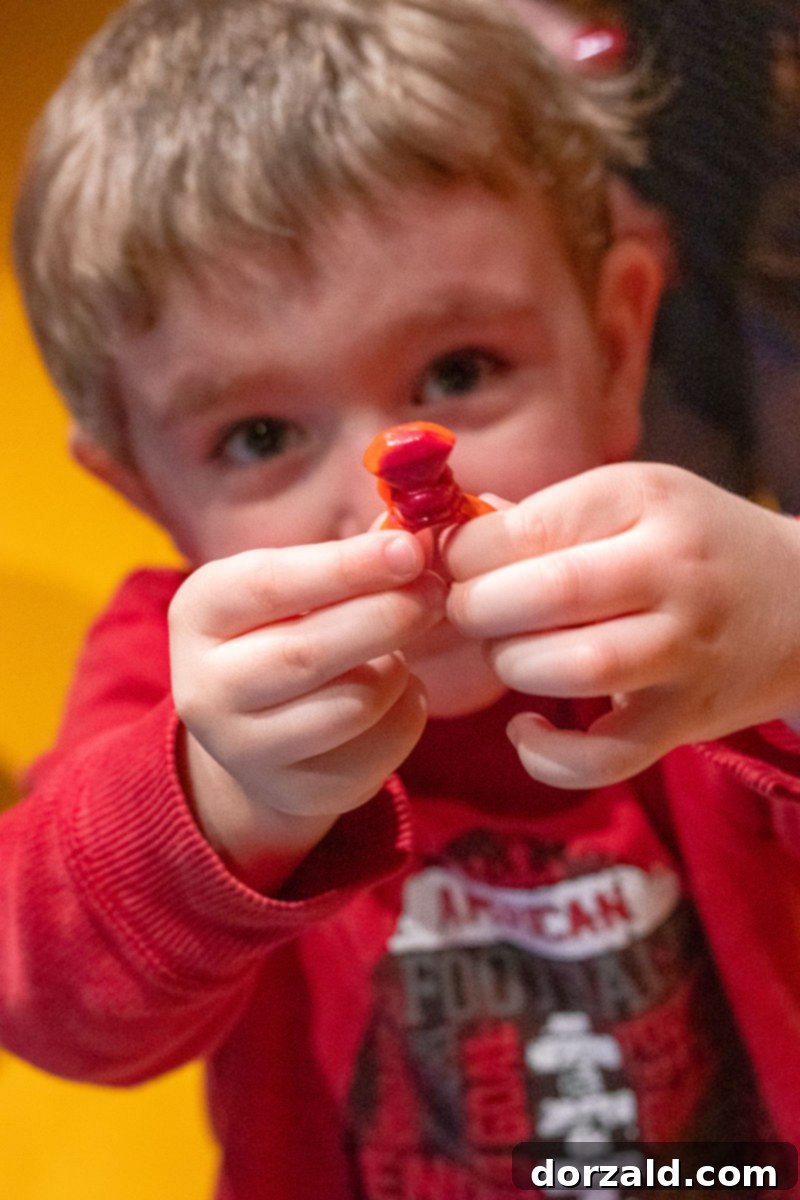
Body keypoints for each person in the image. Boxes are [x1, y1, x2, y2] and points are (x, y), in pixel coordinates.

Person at [5, 1, 800, 1196]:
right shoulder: (174, 686)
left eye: (460, 370)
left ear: (617, 343)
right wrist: (220, 800)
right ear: (144, 488)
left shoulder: (700, 608)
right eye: (258, 434)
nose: (382, 492)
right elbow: (59, 1013)